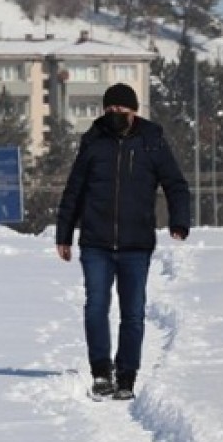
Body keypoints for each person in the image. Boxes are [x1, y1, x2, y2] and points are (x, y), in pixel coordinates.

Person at [55, 82, 191, 400]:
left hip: (136, 244)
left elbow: (175, 184)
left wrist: (179, 220)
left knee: (133, 313)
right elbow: (74, 189)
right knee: (96, 307)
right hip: (95, 242)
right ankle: (101, 372)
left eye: (121, 109)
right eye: (110, 109)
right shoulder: (94, 141)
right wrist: (64, 234)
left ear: (133, 111)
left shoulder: (151, 142)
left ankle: (127, 376)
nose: (115, 113)